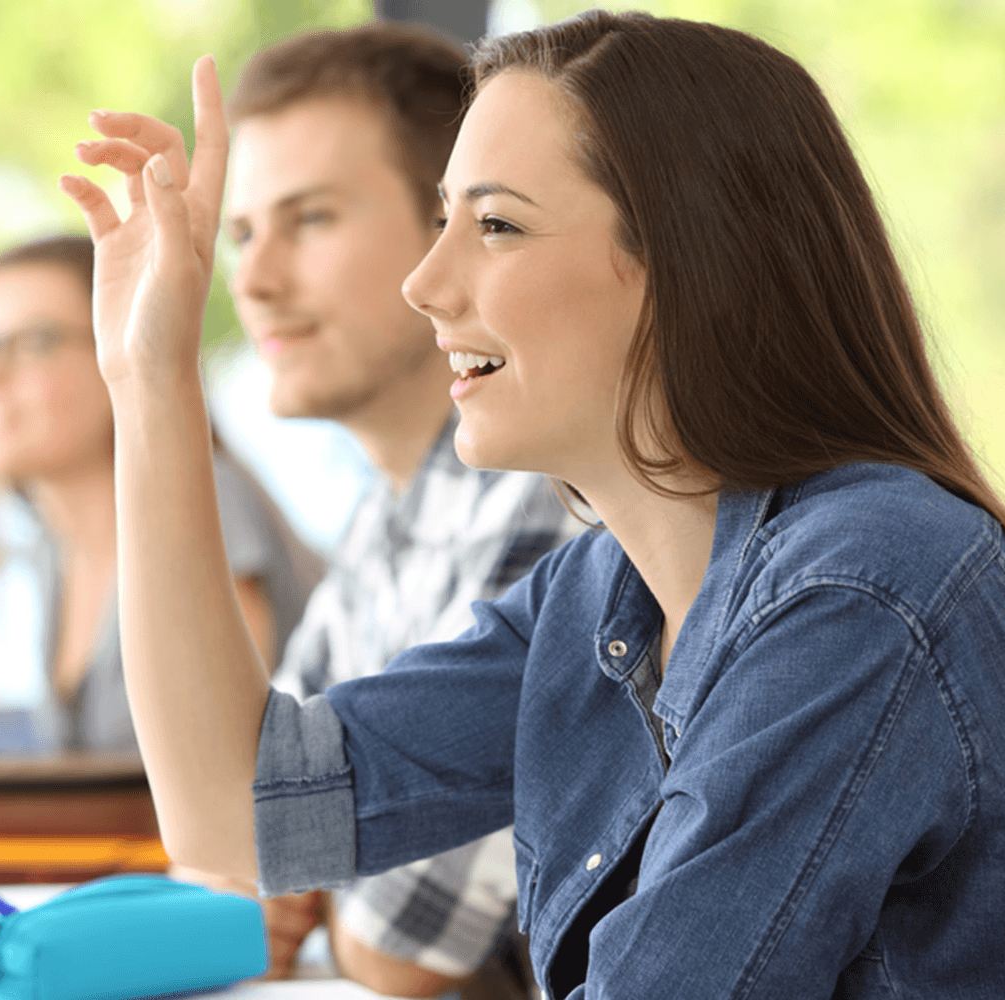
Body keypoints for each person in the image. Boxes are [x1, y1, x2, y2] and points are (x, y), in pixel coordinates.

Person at [60, 11, 1005, 1000]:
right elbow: (248, 813)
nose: (427, 282)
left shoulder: (858, 593)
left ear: (683, 268)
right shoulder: (603, 589)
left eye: (496, 225)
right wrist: (148, 378)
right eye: (440, 219)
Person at [211, 24, 580, 996]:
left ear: (452, 226)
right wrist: (298, 865)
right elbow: (246, 835)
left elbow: (401, 954)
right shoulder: (391, 518)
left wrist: (309, 878)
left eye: (311, 219)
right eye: (241, 232)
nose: (252, 279)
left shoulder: (547, 499)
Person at [0, 234, 320, 756]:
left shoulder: (205, 501)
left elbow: (225, 764)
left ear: (125, 351)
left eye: (36, 342)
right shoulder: (52, 546)